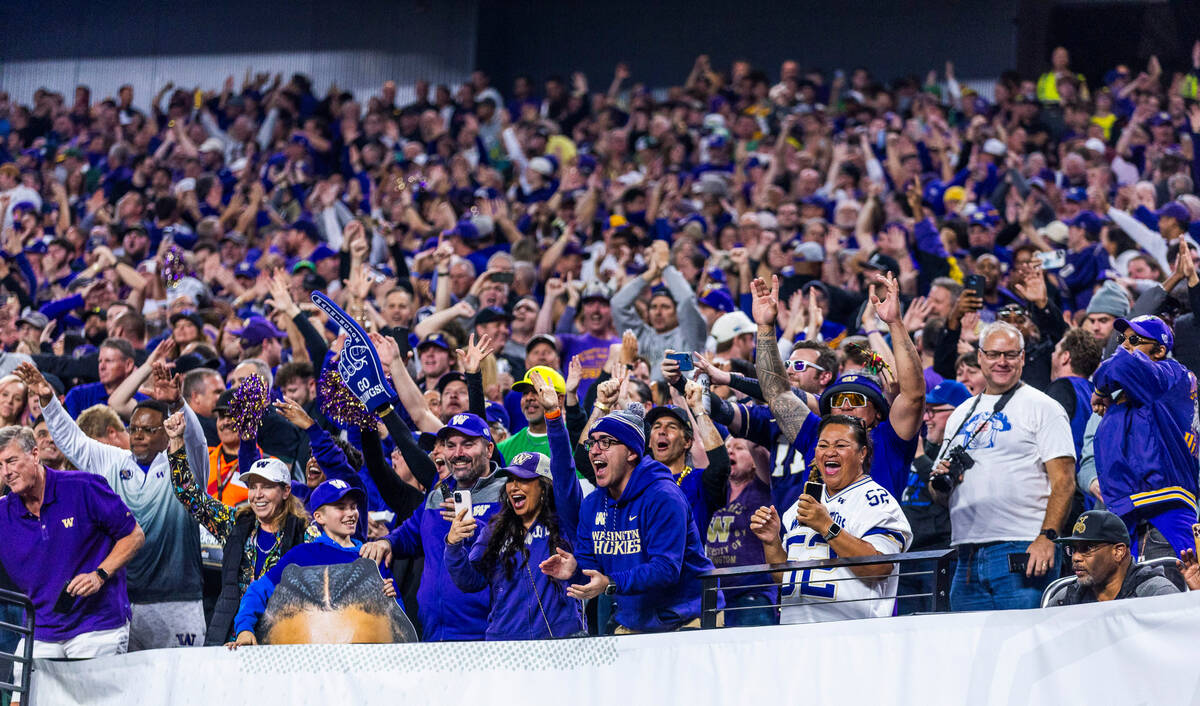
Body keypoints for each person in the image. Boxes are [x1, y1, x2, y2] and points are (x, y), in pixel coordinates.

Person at [17, 362, 211, 651]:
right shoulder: (114, 461)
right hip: (123, 601)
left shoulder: (185, 467)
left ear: (167, 431)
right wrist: (48, 400)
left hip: (177, 601)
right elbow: (73, 442)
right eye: (134, 429)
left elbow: (197, 441)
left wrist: (177, 403)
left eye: (148, 429)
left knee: (179, 691)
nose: (139, 435)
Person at [929, 322, 1077, 611]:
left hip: (1022, 546)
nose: (1002, 362)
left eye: (1010, 354)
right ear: (980, 357)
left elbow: (1065, 482)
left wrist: (1048, 537)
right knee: (972, 648)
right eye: (994, 354)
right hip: (966, 553)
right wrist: (941, 481)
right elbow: (939, 494)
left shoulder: (1043, 407)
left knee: (1025, 645)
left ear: (1023, 358)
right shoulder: (961, 413)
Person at [753, 272, 925, 511]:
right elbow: (777, 394)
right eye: (837, 400)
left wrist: (895, 323)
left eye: (856, 399)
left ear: (877, 413)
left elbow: (914, 394)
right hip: (814, 548)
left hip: (874, 545)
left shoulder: (890, 439)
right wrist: (765, 328)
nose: (845, 405)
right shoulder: (816, 435)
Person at [447, 372, 587, 639]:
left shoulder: (565, 518)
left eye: (524, 479)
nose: (513, 487)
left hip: (559, 645)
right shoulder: (496, 528)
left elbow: (565, 470)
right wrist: (453, 546)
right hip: (506, 648)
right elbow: (470, 580)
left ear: (544, 487)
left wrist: (554, 418)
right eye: (510, 480)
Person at [0, 426, 144, 678]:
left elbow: (133, 535)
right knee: (20, 697)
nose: (6, 473)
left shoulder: (83, 487)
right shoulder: (3, 513)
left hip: (97, 624)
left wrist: (99, 574)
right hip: (41, 629)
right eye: (0, 465)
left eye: (11, 461)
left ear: (35, 454)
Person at [162, 410, 313, 646]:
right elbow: (188, 494)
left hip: (286, 636)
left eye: (267, 487)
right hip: (233, 636)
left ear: (285, 491)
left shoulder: (305, 532)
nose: (257, 495)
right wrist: (176, 441)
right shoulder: (236, 523)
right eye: (253, 486)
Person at [567, 402, 719, 633]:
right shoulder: (593, 505)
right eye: (592, 443)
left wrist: (612, 583)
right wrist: (574, 568)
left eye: (606, 442)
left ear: (632, 452)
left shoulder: (664, 497)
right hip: (636, 621)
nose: (595, 450)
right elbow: (592, 570)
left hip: (688, 619)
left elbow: (665, 569)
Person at [359, 412, 507, 641]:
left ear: (489, 450)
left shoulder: (508, 493)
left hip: (487, 634)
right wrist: (387, 542)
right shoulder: (438, 495)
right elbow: (411, 532)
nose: (458, 453)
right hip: (433, 632)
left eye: (468, 444)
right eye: (451, 445)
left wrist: (475, 528)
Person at [750, 415, 913, 624]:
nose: (830, 452)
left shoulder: (877, 501)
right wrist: (771, 542)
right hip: (796, 634)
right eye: (823, 445)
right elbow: (786, 579)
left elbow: (878, 568)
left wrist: (827, 526)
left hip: (851, 637)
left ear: (862, 453)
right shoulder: (801, 505)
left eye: (841, 445)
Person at [227, 479, 405, 648]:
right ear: (319, 517)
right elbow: (258, 590)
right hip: (313, 662)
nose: (351, 513)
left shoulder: (372, 556)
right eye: (341, 507)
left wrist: (391, 600)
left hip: (360, 661)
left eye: (353, 507)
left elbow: (398, 622)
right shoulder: (303, 555)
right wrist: (244, 628)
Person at [1091, 315, 1199, 559]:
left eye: (1135, 339)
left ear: (1160, 350)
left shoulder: (1172, 374)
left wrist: (1099, 389)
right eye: (1123, 338)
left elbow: (1119, 364)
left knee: (1178, 592)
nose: (1125, 345)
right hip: (1139, 510)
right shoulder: (1145, 386)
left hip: (1164, 510)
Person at [898, 379, 970, 613]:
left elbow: (947, 490)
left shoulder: (965, 450)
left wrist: (919, 457)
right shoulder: (925, 446)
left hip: (940, 555)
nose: (926, 418)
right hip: (907, 557)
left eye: (934, 411)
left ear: (958, 412)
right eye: (925, 411)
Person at [704, 436, 777, 626]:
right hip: (716, 596)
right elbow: (699, 447)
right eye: (727, 448)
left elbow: (758, 448)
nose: (730, 451)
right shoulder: (715, 492)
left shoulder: (763, 487)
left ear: (753, 461)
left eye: (738, 448)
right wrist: (693, 406)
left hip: (752, 596)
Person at [1042, 510, 1181, 606]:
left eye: (1087, 548)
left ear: (1118, 552)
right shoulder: (1065, 598)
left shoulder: (1156, 594)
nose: (1076, 557)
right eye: (1073, 549)